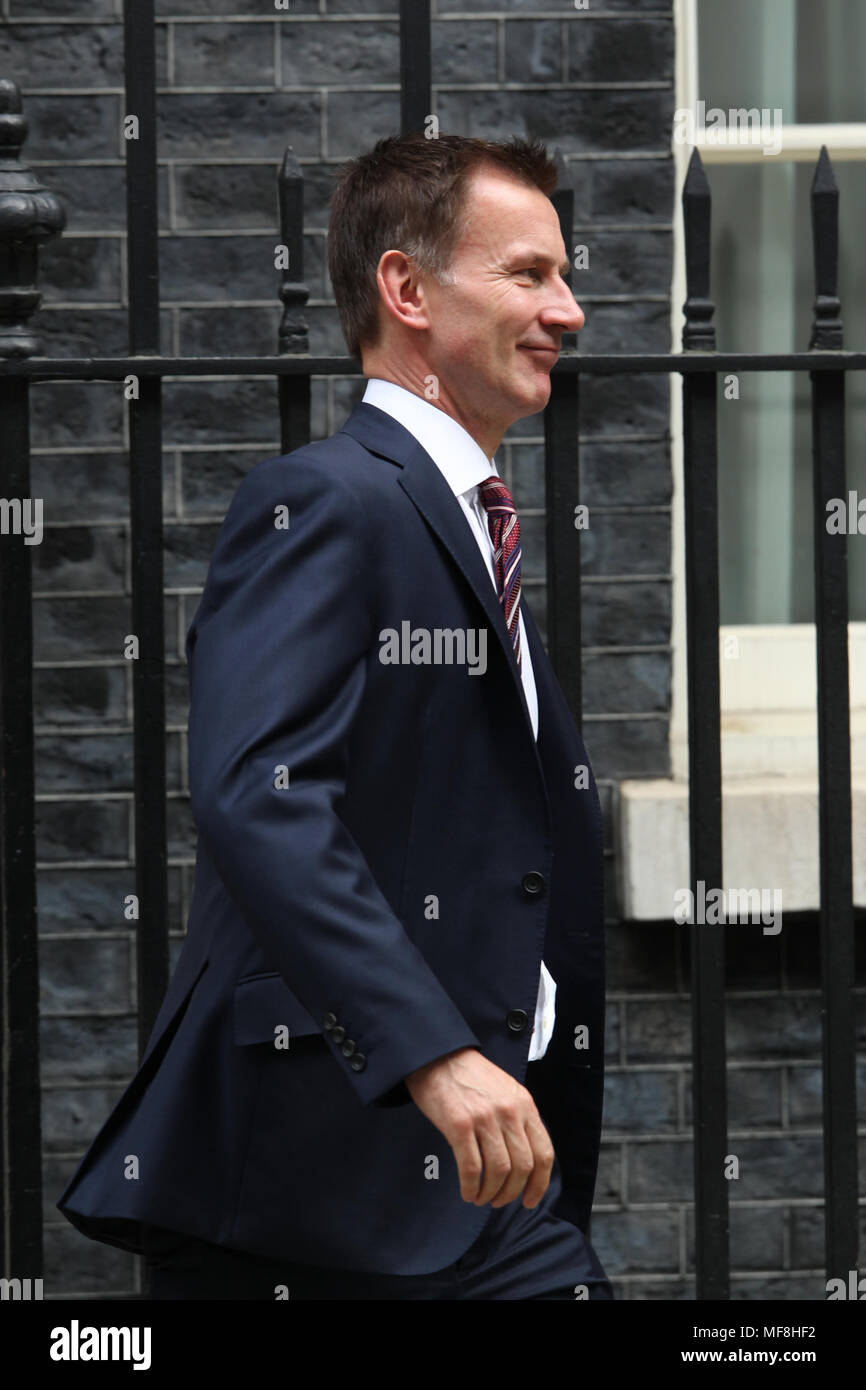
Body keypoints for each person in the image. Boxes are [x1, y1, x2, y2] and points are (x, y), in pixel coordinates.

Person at [57, 131, 611, 1300]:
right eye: (527, 274)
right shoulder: (326, 500)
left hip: (471, 1190)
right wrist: (434, 1054)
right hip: (321, 1187)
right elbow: (259, 796)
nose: (566, 310)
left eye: (563, 275)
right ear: (406, 289)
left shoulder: (468, 520)